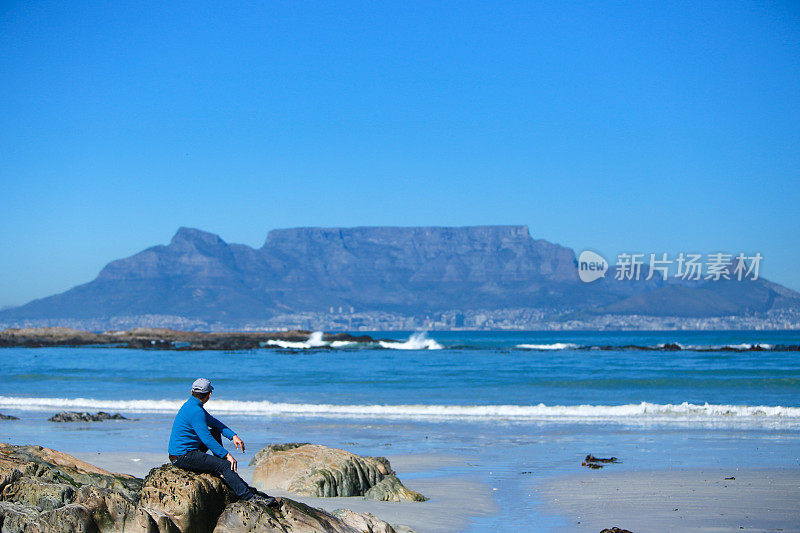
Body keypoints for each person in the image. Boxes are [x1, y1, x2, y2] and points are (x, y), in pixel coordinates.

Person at [168, 378, 274, 505]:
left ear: (191, 392)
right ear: (209, 395)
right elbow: (206, 439)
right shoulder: (196, 411)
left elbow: (214, 423)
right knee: (224, 465)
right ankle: (249, 497)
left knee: (216, 432)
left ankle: (230, 476)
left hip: (185, 452)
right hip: (182, 457)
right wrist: (226, 455)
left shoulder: (192, 405)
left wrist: (233, 436)